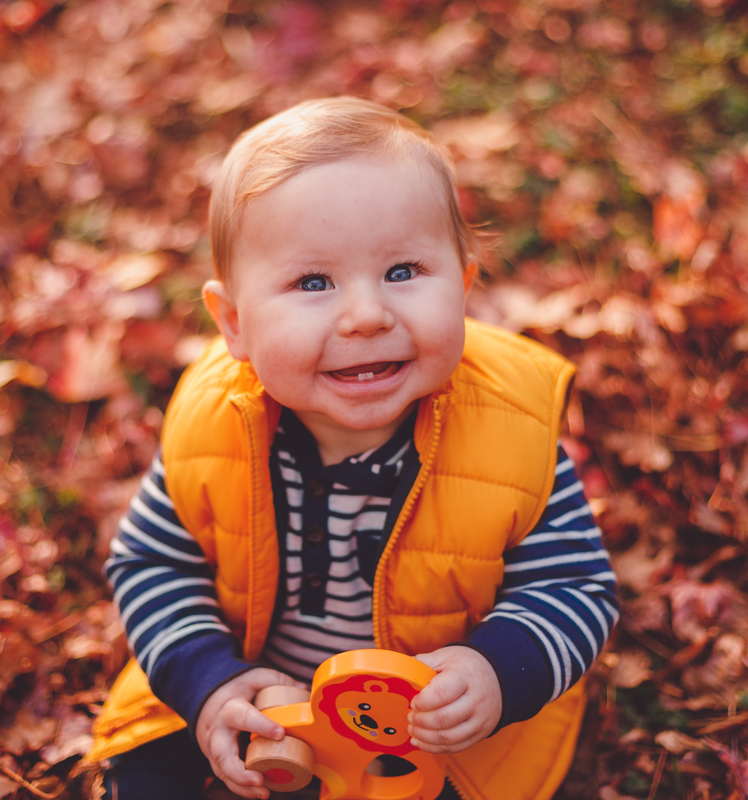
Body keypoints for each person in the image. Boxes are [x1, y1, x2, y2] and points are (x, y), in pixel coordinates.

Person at [87, 97, 617, 800]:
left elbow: (574, 588)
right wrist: (209, 681)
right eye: (313, 283)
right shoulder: (211, 426)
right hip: (264, 707)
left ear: (462, 285)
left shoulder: (512, 434)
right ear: (235, 325)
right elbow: (152, 562)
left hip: (430, 734)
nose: (367, 316)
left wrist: (495, 672)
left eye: (403, 272)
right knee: (147, 773)